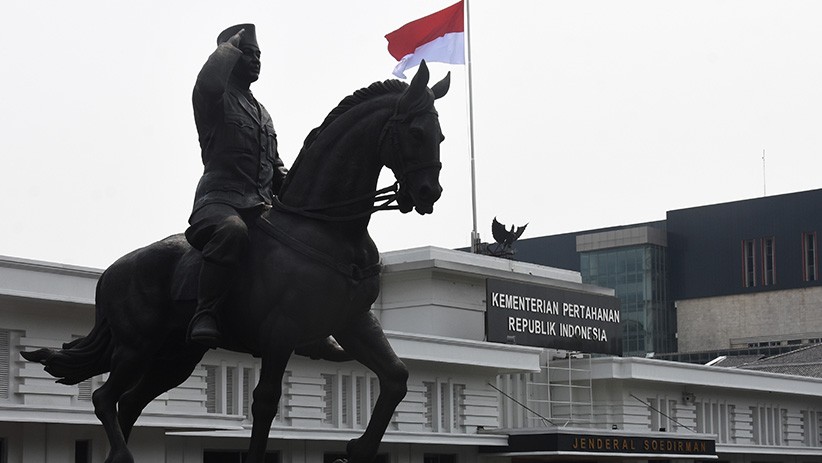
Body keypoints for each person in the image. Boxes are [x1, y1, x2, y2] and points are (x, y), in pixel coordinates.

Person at [185, 24, 287, 347]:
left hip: (260, 206)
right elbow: (207, 84)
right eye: (249, 54)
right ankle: (205, 312)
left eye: (259, 55)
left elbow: (275, 167)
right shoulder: (215, 100)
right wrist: (227, 48)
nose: (256, 60)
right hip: (219, 203)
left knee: (299, 244)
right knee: (233, 230)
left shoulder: (263, 114)